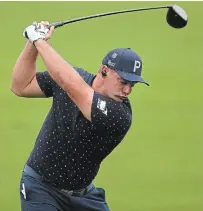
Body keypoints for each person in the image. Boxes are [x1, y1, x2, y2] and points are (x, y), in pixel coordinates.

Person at [11, 21, 149, 211]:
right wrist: (32, 44)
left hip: (85, 198)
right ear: (103, 71)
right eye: (123, 81)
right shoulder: (73, 78)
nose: (127, 90)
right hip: (40, 187)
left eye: (132, 85)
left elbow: (73, 87)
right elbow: (21, 85)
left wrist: (40, 41)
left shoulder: (120, 116)